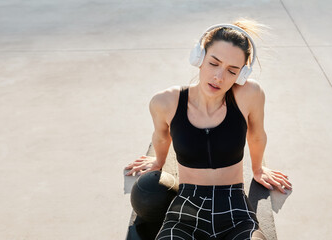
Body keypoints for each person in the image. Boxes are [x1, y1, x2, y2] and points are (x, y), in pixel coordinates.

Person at [125, 18, 292, 240]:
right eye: (214, 63)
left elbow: (257, 134)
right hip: (186, 207)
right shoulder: (165, 101)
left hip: (235, 208)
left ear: (242, 74)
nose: (219, 77)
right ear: (199, 57)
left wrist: (258, 168)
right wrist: (157, 162)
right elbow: (162, 137)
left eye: (232, 71)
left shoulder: (249, 95)